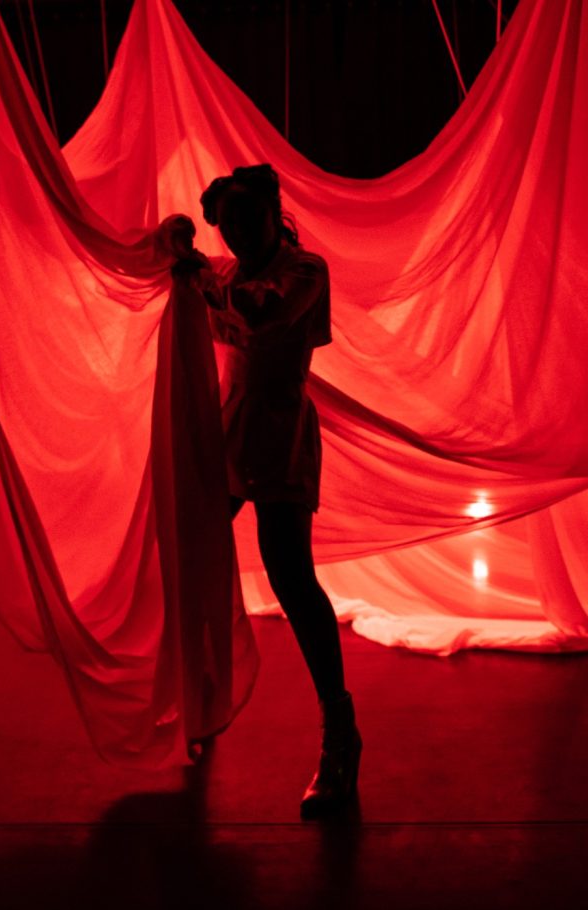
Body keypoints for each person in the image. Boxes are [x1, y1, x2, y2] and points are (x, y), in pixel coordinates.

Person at [157, 164, 361, 818]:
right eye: (230, 225)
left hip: (278, 432)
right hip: (227, 429)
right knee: (192, 556)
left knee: (291, 579)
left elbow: (264, 312)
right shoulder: (225, 272)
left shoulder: (305, 271)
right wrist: (177, 244)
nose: (240, 234)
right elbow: (189, 266)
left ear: (276, 214)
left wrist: (198, 273)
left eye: (249, 220)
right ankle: (201, 694)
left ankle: (340, 732)